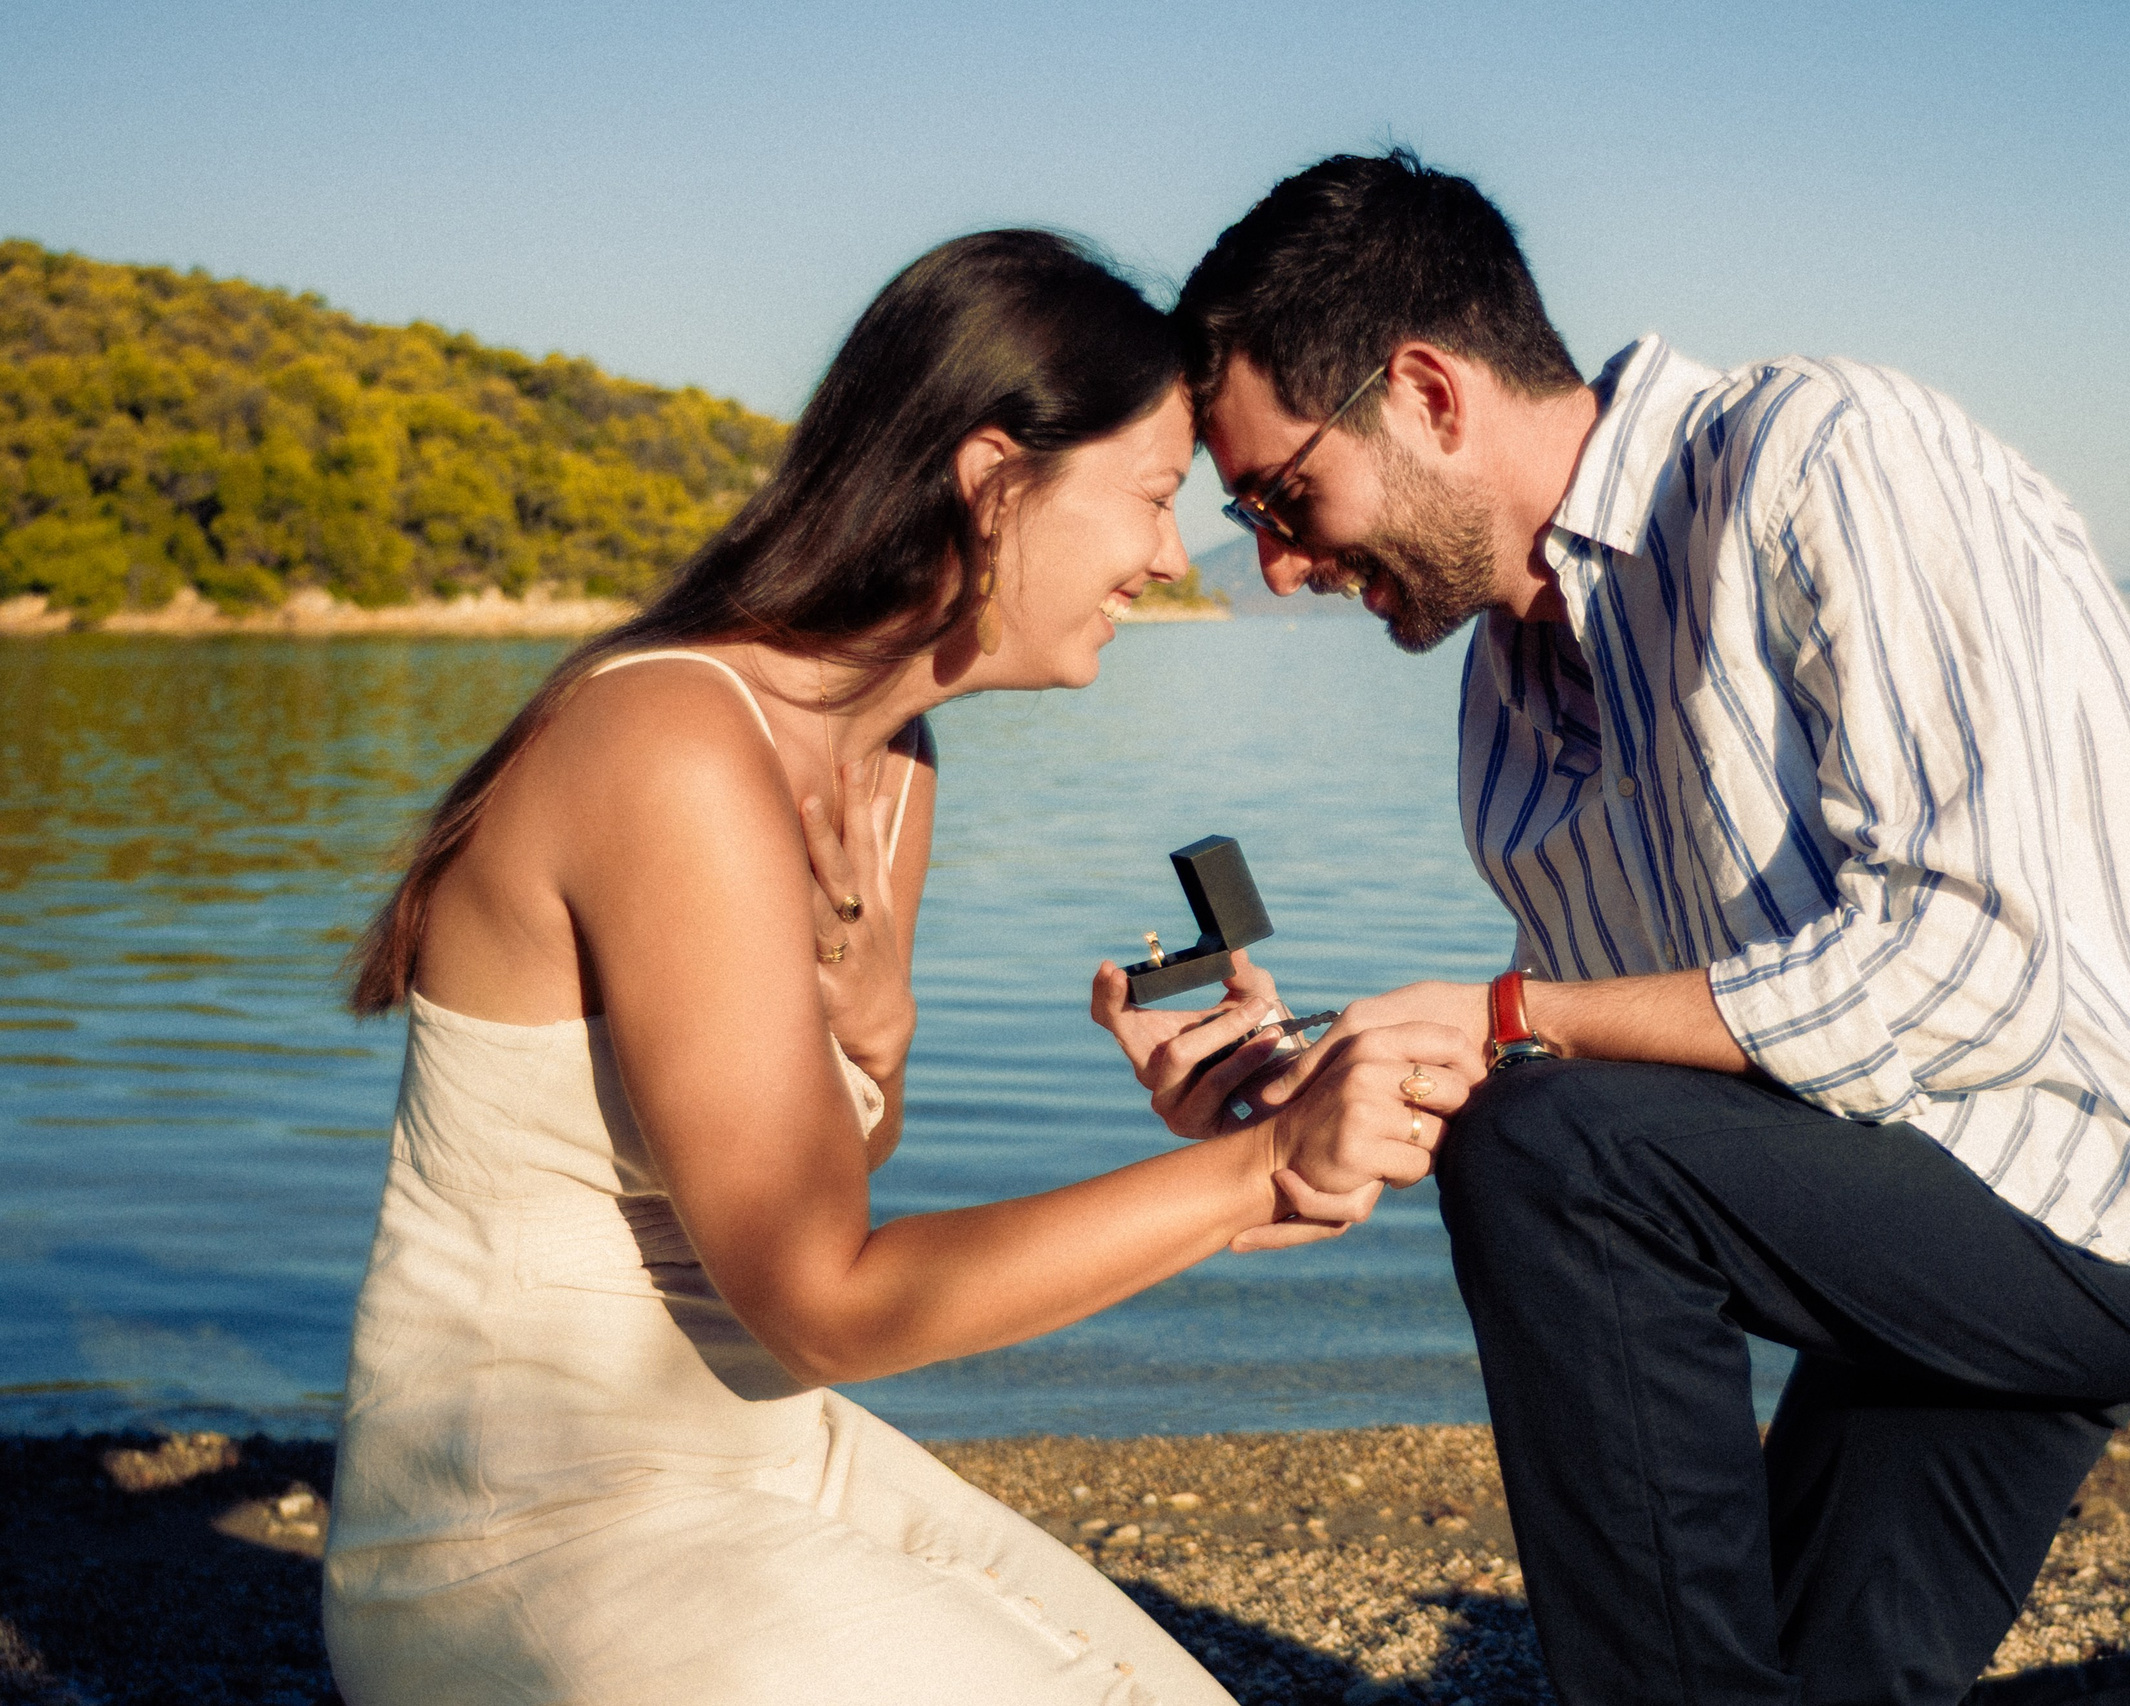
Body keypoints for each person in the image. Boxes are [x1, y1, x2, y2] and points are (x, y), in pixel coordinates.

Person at [1138, 149, 2130, 1706]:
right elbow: (1667, 1076)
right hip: (1911, 1201)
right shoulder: (1508, 713)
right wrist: (1319, 1096)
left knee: (1548, 1149)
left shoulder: (1818, 461)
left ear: (1427, 391)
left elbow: (1962, 971)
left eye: (1285, 495)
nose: (1276, 564)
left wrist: (1501, 1025)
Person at [324, 229, 1481, 1706]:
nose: (1158, 555)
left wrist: (891, 1033)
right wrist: (1253, 1177)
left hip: (763, 1457)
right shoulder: (670, 746)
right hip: (526, 1535)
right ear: (994, 479)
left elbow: (810, 1195)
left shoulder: (887, 758)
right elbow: (825, 1297)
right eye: (1144, 498)